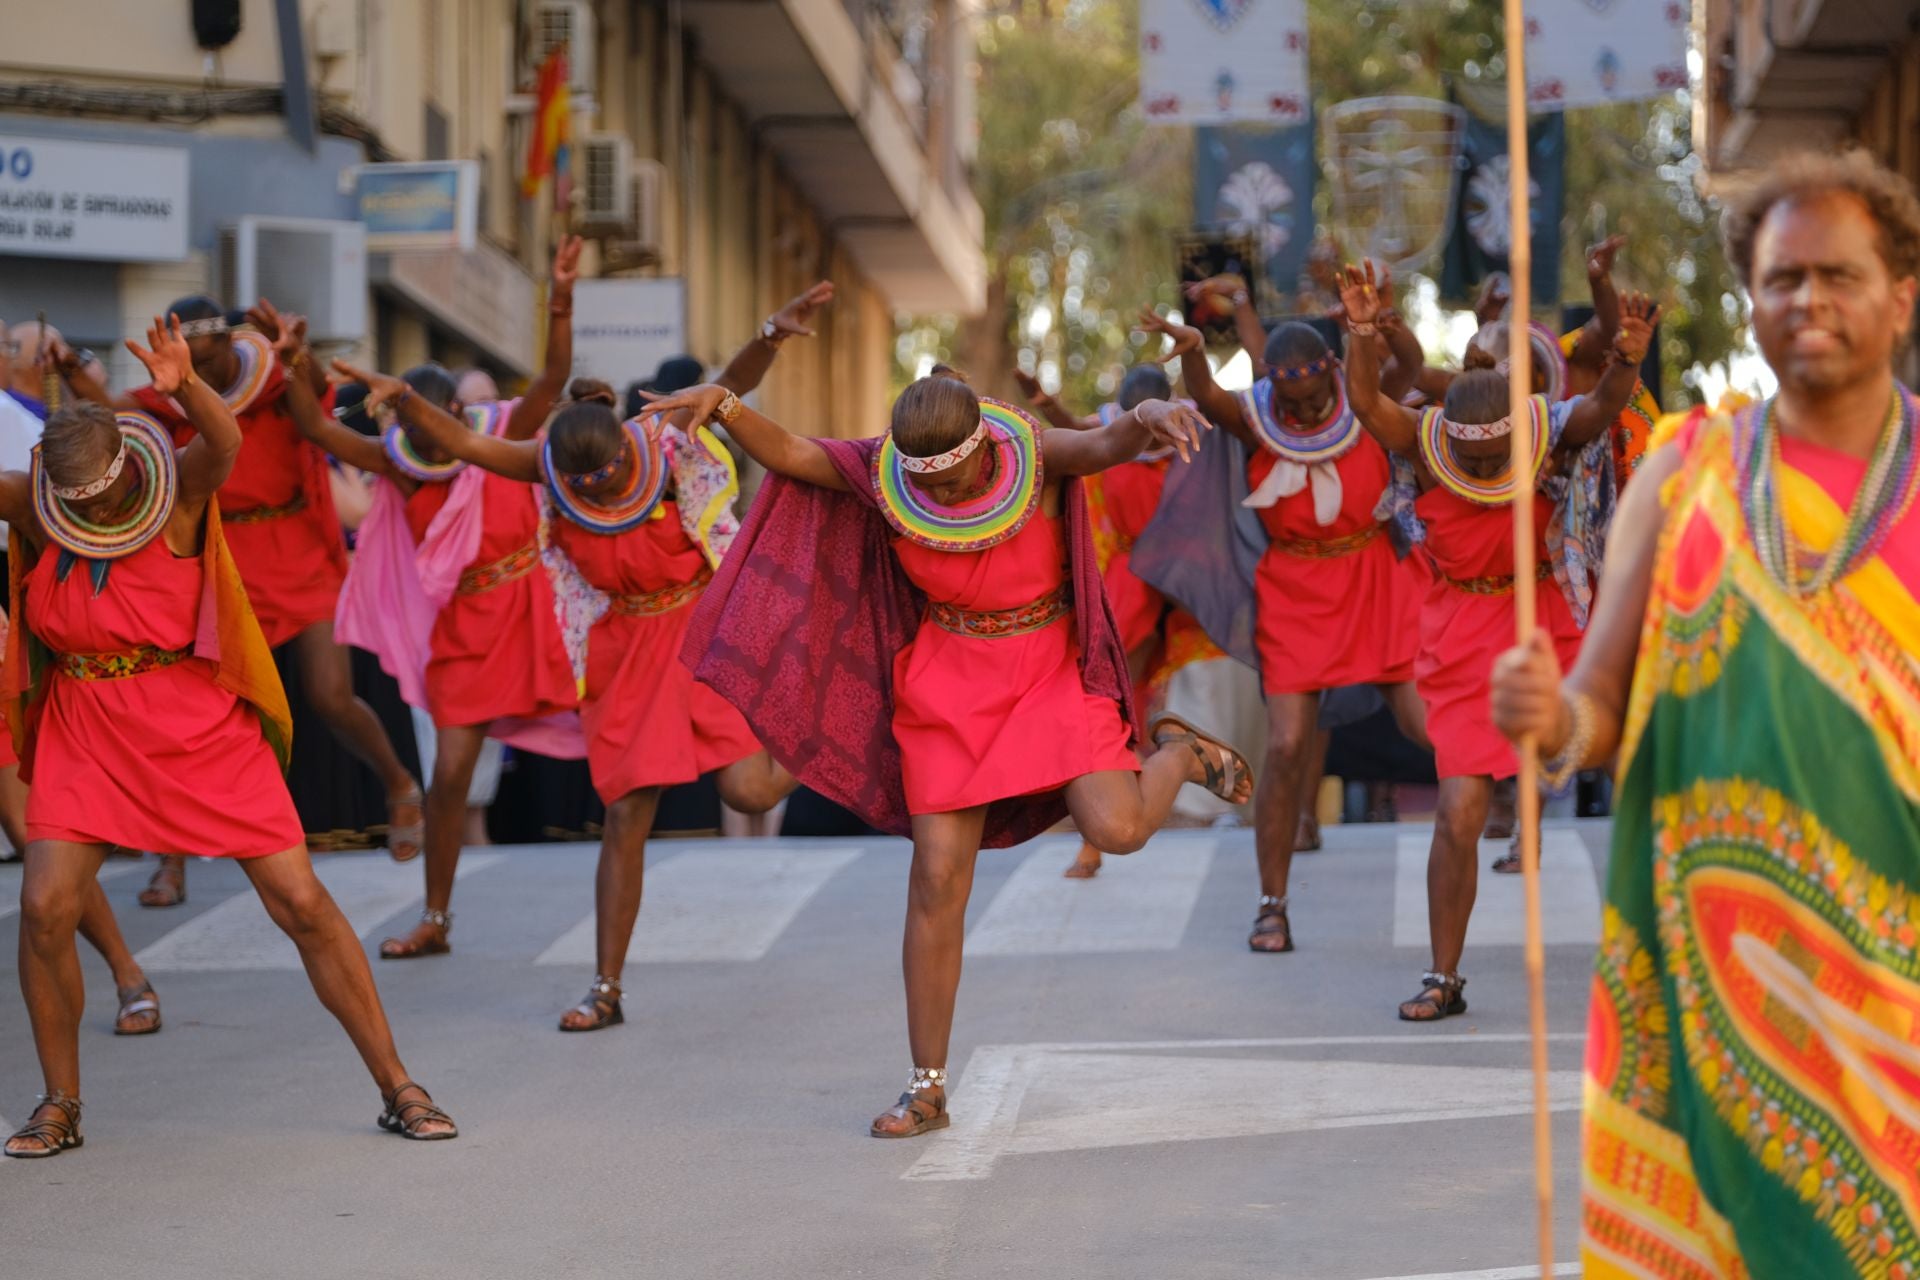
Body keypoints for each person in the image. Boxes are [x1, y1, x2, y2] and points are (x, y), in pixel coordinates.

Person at [1492, 150, 1920, 1279]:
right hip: (1700, 997)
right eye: (1782, 279)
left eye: (1839, 275)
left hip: (1899, 1000)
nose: (1809, 301)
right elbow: (1600, 705)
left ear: (1901, 296)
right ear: (1751, 299)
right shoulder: (1684, 470)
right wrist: (1549, 724)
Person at [654, 372, 1249, 1138]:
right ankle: (927, 1086)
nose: (935, 489)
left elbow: (1106, 443)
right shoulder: (890, 472)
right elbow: (799, 455)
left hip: (1046, 670)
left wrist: (1148, 414)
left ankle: (1178, 752)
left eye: (951, 476)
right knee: (936, 879)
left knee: (1120, 829)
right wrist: (729, 407)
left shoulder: (1032, 453)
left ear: (980, 450)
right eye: (921, 477)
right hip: (947, 683)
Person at [1, 317, 455, 1157]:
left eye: (100, 494)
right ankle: (59, 1102)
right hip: (87, 725)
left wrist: (186, 389)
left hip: (197, 725)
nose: (92, 509)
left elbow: (227, 440)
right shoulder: (40, 505)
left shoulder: (176, 492)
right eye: (77, 501)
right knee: (42, 909)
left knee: (303, 906)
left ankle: (398, 1084)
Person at [1337, 259, 1653, 1021]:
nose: (1483, 473)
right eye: (1471, 462)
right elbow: (1361, 399)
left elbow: (1605, 406)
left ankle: (1657, 962)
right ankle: (1444, 977)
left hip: (1547, 621)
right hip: (1461, 634)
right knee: (1459, 812)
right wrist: (1356, 333)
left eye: (1495, 460)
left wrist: (1630, 356)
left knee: (1616, 761)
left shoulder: (1550, 427)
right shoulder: (1421, 436)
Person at [102, 295, 423, 910]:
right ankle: (171, 861)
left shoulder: (275, 381)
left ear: (229, 344)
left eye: (209, 357)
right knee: (193, 714)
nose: (202, 369)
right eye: (190, 362)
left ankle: (399, 782)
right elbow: (111, 415)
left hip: (298, 549)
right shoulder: (171, 402)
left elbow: (320, 401)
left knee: (330, 694)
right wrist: (74, 377)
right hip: (225, 559)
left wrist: (299, 355)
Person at [1137, 305, 1430, 954]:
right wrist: (1192, 351)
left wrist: (1379, 330)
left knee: (1427, 724)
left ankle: (1498, 812)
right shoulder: (1258, 416)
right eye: (1288, 399)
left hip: (1373, 578)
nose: (1298, 412)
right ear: (1271, 380)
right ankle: (1272, 904)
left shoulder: (1360, 394)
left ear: (1330, 369)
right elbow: (1211, 397)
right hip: (1294, 590)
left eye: (1311, 396)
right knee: (1289, 743)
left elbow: (1409, 368)